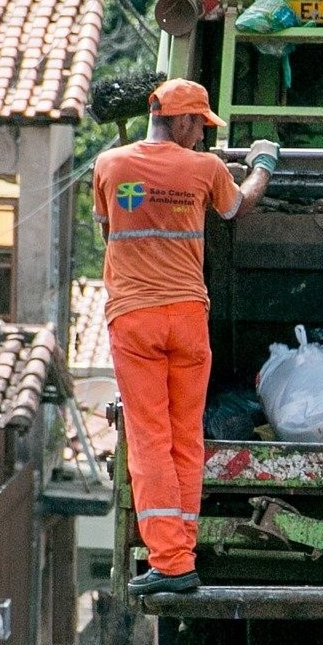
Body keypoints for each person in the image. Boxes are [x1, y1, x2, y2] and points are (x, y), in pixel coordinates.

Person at [95, 79, 279, 598]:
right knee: (185, 438)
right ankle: (183, 550)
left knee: (150, 440)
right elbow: (238, 208)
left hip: (135, 320)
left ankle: (172, 561)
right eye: (197, 123)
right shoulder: (206, 170)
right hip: (187, 320)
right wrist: (264, 163)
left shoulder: (110, 165)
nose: (201, 134)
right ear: (175, 120)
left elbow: (109, 231)